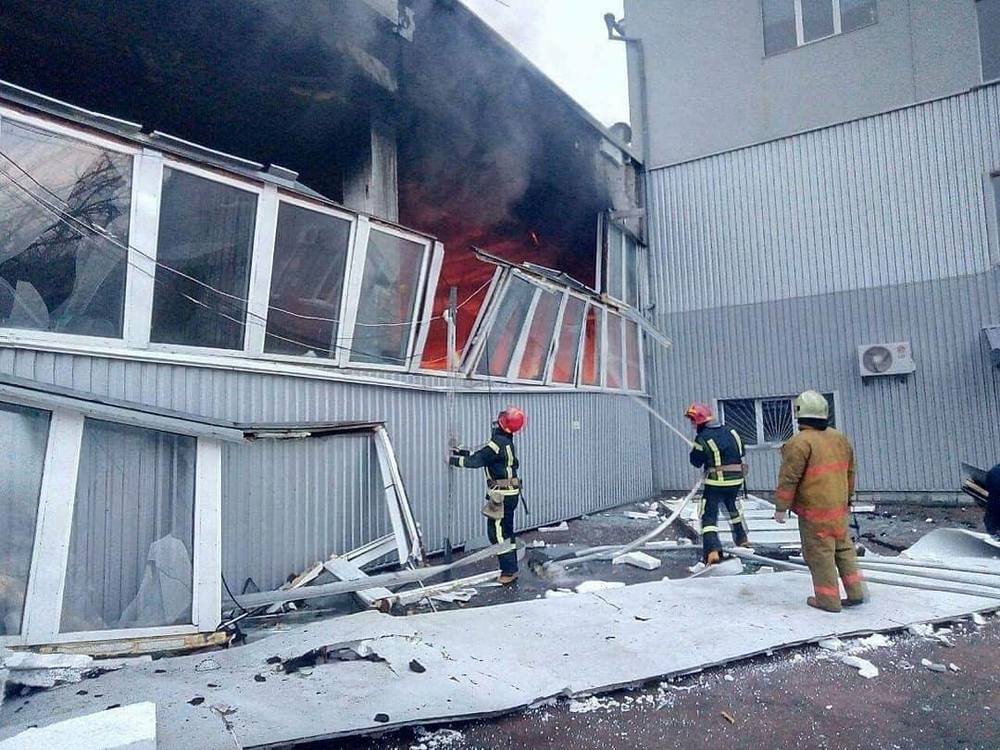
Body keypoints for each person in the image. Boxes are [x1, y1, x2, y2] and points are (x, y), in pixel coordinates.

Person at [774, 390, 865, 612]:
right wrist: (848, 499)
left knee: (820, 555)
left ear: (799, 414)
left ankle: (828, 600)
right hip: (839, 510)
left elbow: (789, 479)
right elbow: (850, 472)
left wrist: (780, 508)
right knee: (844, 550)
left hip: (814, 514)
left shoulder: (799, 443)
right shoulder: (839, 439)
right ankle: (856, 593)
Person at [450, 406, 525, 584]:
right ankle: (511, 568)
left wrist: (452, 459)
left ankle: (508, 572)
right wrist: (461, 453)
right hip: (510, 494)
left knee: (498, 534)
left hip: (501, 496)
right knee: (506, 531)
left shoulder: (497, 443)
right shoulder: (505, 441)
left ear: (502, 424)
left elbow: (477, 461)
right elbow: (484, 455)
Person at [685, 402, 750, 565]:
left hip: (716, 482)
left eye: (692, 421)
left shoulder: (702, 438)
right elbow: (741, 452)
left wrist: (697, 451)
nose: (692, 425)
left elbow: (695, 462)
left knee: (709, 514)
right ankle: (742, 539)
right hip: (736, 480)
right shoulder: (732, 431)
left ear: (699, 421)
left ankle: (712, 551)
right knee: (732, 508)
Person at [985, 463, 1000, 538]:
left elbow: (987, 484)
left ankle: (994, 533)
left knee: (992, 516)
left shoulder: (993, 470)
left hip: (993, 500)